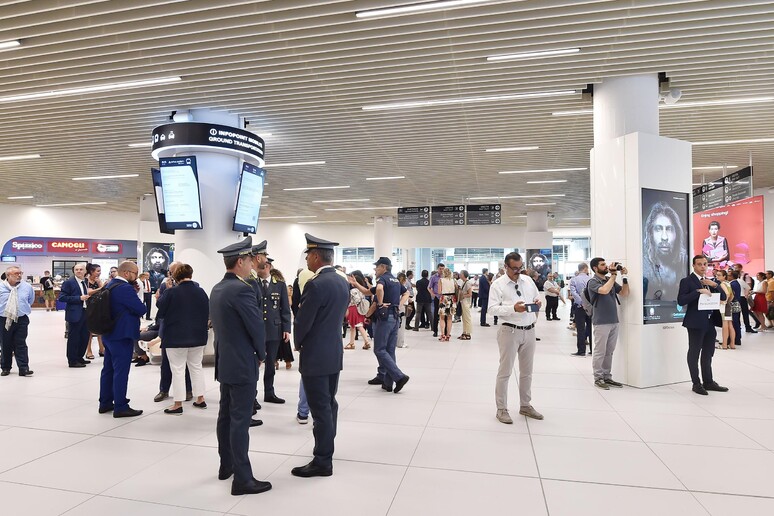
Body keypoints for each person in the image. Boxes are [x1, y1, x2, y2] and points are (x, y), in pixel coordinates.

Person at [210, 236, 271, 496]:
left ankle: (227, 465)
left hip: (226, 360)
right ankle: (243, 479)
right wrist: (262, 353)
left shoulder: (218, 288)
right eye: (249, 260)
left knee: (226, 415)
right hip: (242, 362)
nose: (252, 264)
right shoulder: (242, 289)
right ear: (240, 261)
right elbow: (256, 325)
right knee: (240, 420)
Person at [291, 233, 350, 478]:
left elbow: (304, 322)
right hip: (333, 353)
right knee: (329, 404)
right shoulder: (340, 281)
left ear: (316, 256)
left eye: (308, 255)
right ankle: (327, 450)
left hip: (315, 355)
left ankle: (322, 460)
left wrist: (297, 343)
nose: (306, 260)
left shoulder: (316, 284)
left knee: (320, 409)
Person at [488, 252, 543, 423]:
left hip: (529, 330)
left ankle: (525, 405)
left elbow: (536, 297)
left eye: (520, 268)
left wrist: (537, 302)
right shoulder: (498, 285)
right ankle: (501, 409)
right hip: (509, 332)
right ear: (506, 267)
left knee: (527, 372)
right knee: (505, 372)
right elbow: (492, 309)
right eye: (514, 269)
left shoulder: (528, 281)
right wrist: (513, 309)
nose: (518, 272)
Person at [156, 264, 209, 415]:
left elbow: (161, 310)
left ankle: (178, 403)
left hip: (175, 337)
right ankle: (200, 398)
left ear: (175, 276)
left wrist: (164, 291)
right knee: (196, 367)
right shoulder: (201, 292)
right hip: (198, 336)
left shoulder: (171, 292)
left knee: (178, 369)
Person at [98, 260, 147, 418]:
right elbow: (141, 308)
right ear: (126, 273)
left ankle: (105, 402)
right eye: (135, 273)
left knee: (108, 369)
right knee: (121, 371)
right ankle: (120, 406)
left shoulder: (109, 285)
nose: (136, 277)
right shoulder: (125, 288)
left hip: (108, 333)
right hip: (122, 335)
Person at [677, 255, 729, 396]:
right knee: (694, 352)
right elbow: (681, 300)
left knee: (708, 353)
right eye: (699, 264)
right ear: (694, 265)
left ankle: (708, 381)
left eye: (705, 264)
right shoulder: (687, 281)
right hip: (695, 322)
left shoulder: (710, 281)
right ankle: (696, 383)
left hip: (709, 322)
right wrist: (697, 292)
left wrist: (715, 285)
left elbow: (724, 297)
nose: (703, 267)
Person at [251, 242, 290, 405]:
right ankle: (252, 396)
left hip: (274, 329)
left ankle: (269, 392)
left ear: (267, 266)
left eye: (262, 266)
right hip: (258, 330)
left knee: (271, 364)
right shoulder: (253, 283)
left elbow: (285, 308)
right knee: (254, 365)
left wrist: (287, 328)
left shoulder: (279, 285)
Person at [587, 258, 629, 390]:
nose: (606, 266)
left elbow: (624, 293)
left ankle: (607, 376)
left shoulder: (608, 280)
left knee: (609, 351)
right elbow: (604, 291)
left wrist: (624, 277)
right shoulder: (593, 282)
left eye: (606, 264)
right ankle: (598, 378)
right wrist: (614, 275)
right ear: (595, 268)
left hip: (614, 320)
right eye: (603, 265)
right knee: (600, 351)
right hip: (601, 321)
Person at [642, 201, 687, 301]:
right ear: (651, 234)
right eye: (658, 229)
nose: (664, 237)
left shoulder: (685, 262)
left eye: (669, 229)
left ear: (677, 233)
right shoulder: (643, 266)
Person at [0, 266, 35, 376]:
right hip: (4, 318)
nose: (19, 275)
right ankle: (5, 367)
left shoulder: (27, 287)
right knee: (5, 343)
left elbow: (30, 300)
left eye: (20, 273)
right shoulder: (1, 287)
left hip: (21, 318)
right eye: (16, 273)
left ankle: (23, 368)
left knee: (21, 343)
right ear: (8, 275)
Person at [59, 263, 92, 368]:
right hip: (75, 313)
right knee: (74, 337)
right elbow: (62, 297)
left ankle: (79, 357)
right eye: (76, 269)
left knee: (84, 336)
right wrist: (79, 298)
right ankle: (72, 360)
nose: (78, 271)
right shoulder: (69, 283)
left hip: (85, 312)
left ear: (85, 271)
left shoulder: (85, 282)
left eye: (81, 269)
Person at [271, 266, 295, 369]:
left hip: (276, 319)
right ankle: (287, 361)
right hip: (281, 320)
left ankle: (275, 360)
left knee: (275, 342)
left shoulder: (278, 286)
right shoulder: (282, 286)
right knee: (285, 342)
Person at [569, 263, 592, 357]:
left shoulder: (574, 280)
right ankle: (592, 349)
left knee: (580, 329)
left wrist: (581, 302)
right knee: (591, 329)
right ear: (586, 269)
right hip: (591, 308)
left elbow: (573, 293)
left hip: (579, 307)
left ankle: (581, 350)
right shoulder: (591, 279)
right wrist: (588, 304)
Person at [84, 263, 105, 360]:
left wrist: (100, 284)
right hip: (88, 307)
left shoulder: (98, 280)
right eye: (98, 271)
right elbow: (88, 292)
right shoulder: (85, 281)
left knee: (100, 328)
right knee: (89, 331)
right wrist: (100, 288)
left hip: (98, 306)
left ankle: (102, 349)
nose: (99, 273)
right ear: (91, 271)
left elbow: (104, 291)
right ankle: (88, 350)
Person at [733, 263, 757, 333]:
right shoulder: (737, 279)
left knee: (744, 313)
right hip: (738, 297)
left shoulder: (744, 277)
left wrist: (746, 295)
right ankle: (741, 327)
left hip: (741, 297)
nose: (735, 269)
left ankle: (746, 327)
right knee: (740, 313)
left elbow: (748, 287)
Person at [715, 269, 736, 350]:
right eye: (717, 275)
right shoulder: (728, 283)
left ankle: (724, 344)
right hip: (728, 305)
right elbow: (732, 295)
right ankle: (732, 344)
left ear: (724, 276)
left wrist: (724, 301)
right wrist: (728, 301)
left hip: (724, 306)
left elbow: (727, 293)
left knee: (725, 325)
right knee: (730, 324)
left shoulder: (722, 284)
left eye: (719, 275)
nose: (717, 276)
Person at [437, 267, 456, 341]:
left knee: (442, 318)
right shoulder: (453, 280)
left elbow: (439, 292)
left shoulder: (441, 280)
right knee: (450, 318)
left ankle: (442, 335)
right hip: (452, 298)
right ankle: (448, 335)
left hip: (444, 298)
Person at [428, 264, 445, 337]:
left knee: (444, 314)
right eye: (440, 269)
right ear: (437, 269)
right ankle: (435, 331)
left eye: (443, 269)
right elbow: (429, 287)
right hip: (437, 298)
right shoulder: (433, 277)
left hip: (444, 298)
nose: (441, 270)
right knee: (436, 314)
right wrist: (432, 294)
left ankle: (445, 331)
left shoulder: (445, 277)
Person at [729, 270, 743, 348]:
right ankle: (737, 338)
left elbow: (732, 295)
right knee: (736, 321)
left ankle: (736, 338)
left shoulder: (733, 284)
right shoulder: (736, 283)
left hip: (733, 304)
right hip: (736, 304)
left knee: (734, 322)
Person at [458, 270, 473, 340]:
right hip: (463, 302)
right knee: (464, 318)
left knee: (467, 318)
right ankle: (464, 332)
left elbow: (470, 294)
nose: (459, 274)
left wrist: (463, 295)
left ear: (464, 275)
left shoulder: (468, 283)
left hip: (466, 302)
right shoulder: (463, 282)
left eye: (461, 273)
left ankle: (468, 333)